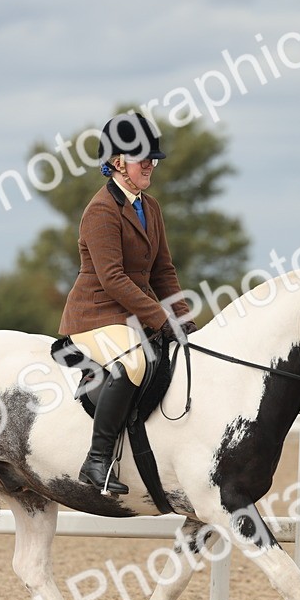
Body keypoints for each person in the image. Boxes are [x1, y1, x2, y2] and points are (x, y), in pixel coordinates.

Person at [58, 112, 196, 496]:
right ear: (118, 161)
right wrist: (160, 318)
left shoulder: (150, 207)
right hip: (96, 314)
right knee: (133, 361)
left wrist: (183, 319)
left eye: (153, 158)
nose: (150, 163)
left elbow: (163, 271)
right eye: (142, 158)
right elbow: (113, 279)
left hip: (132, 313)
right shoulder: (100, 211)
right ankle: (97, 459)